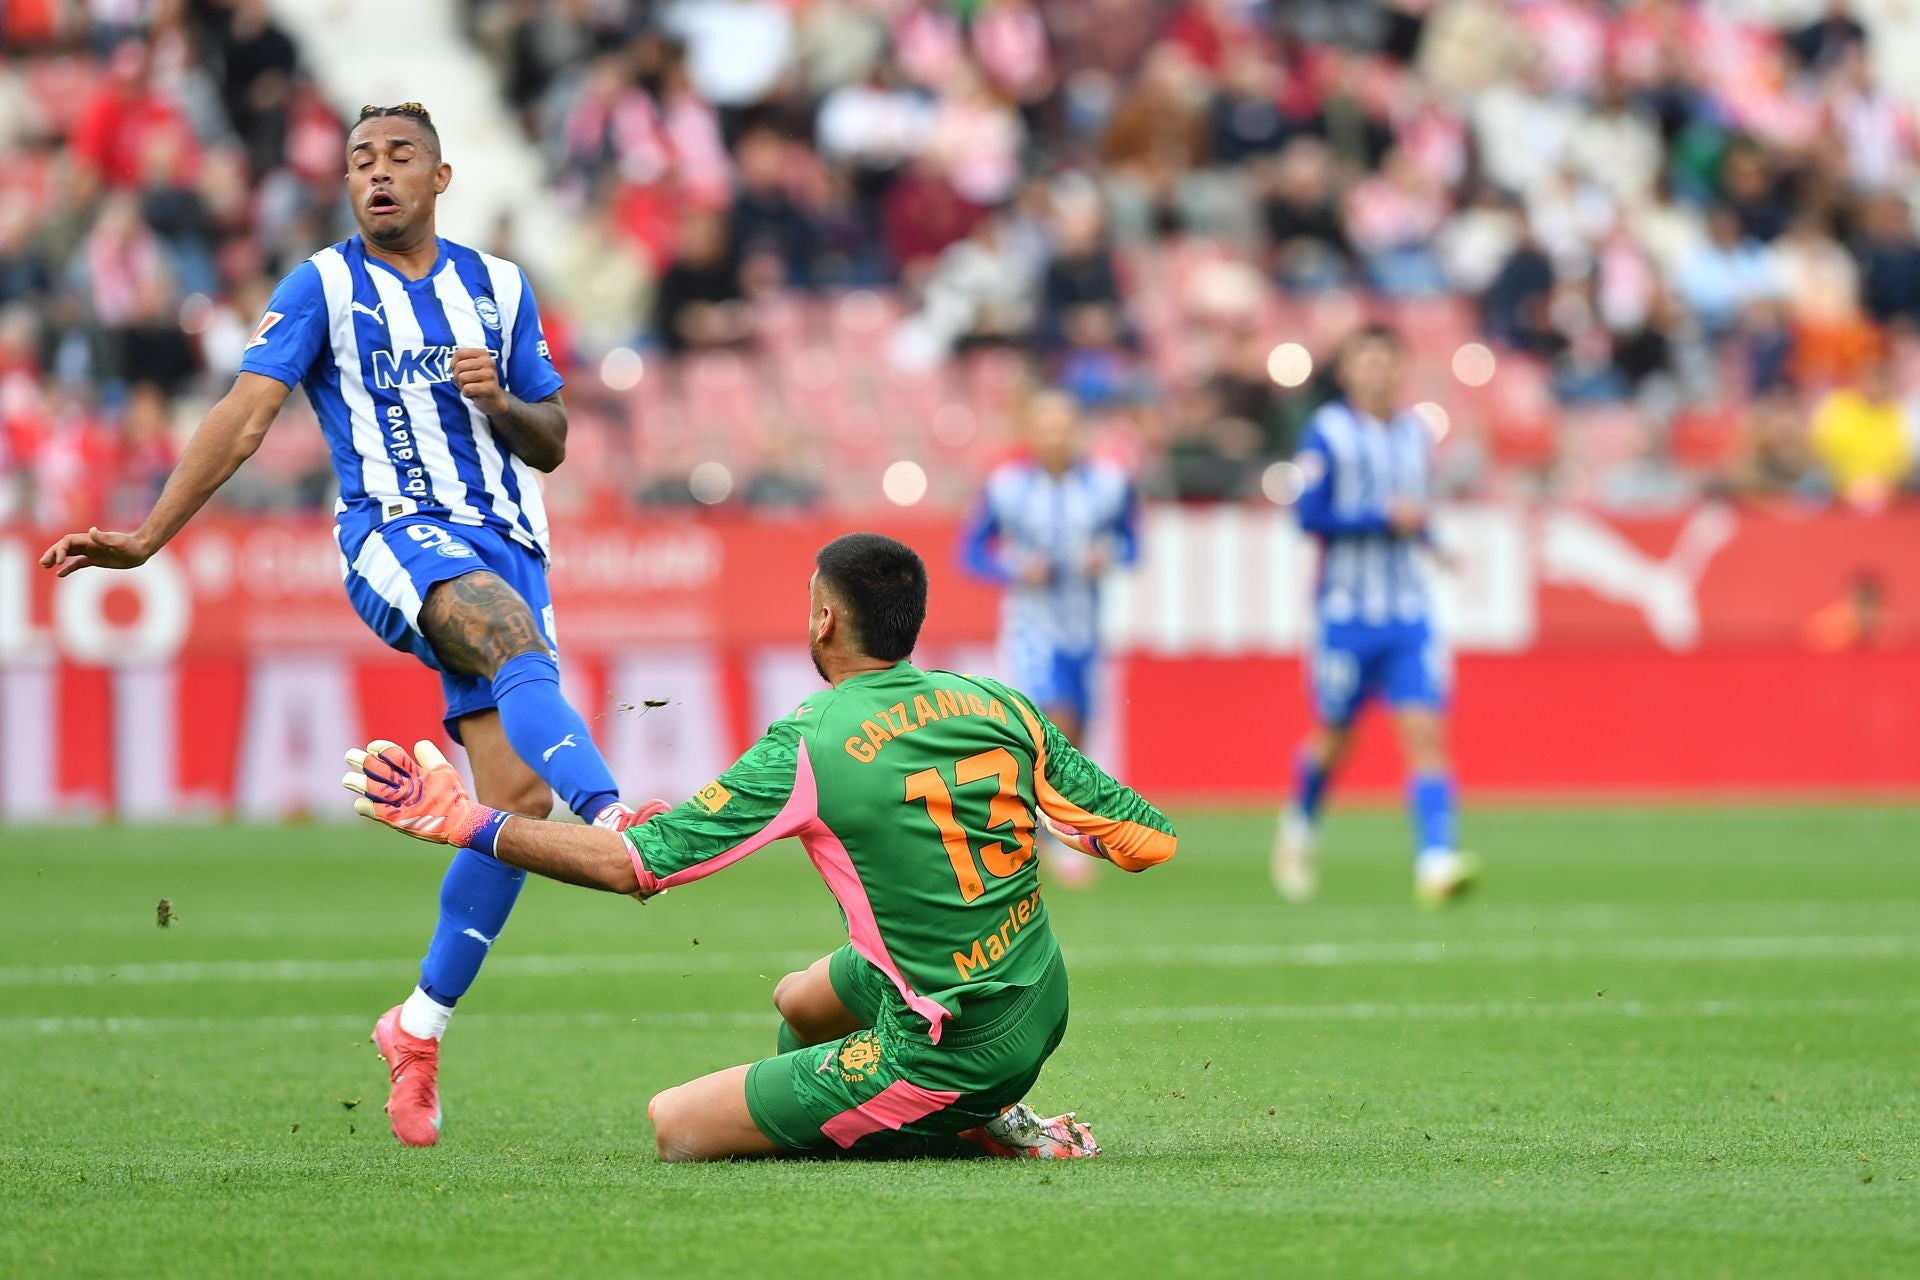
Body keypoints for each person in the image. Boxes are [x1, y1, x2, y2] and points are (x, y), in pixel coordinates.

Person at [39, 102, 641, 1147]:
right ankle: (619, 816)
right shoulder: (320, 286)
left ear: (441, 177)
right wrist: (147, 536)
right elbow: (243, 415)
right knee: (509, 646)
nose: (377, 174)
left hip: (511, 542)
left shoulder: (496, 287)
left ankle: (418, 1023)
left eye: (399, 157)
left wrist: (501, 401)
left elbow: (551, 437)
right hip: (392, 537)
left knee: (510, 795)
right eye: (361, 160)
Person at [344, 533, 1179, 1161]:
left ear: (824, 620)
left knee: (674, 1126)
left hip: (952, 1046)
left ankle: (961, 1120)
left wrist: (468, 823)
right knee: (797, 1002)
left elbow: (634, 868)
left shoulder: (809, 742)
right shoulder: (999, 701)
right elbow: (1146, 844)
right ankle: (933, 1096)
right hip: (1038, 989)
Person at [1272, 324, 1477, 907]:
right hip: (1346, 614)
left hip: (1408, 612)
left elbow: (1411, 512)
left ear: (1398, 368)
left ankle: (1436, 860)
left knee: (1426, 734)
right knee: (1334, 740)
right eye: (1365, 363)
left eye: (1385, 362)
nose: (1376, 373)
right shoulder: (1328, 434)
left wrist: (1434, 543)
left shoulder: (1415, 433)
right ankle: (1299, 829)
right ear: (1348, 373)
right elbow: (1308, 518)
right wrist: (1379, 521)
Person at [960, 391, 1138, 885]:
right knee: (1051, 721)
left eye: (1064, 424)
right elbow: (970, 553)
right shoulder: (1008, 488)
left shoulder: (1108, 484)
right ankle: (1060, 833)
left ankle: (1039, 824)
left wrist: (1110, 556)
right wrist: (1013, 567)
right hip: (1031, 628)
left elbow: (1132, 542)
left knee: (1075, 732)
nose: (1056, 435)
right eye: (1046, 425)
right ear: (1031, 432)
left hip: (1085, 627)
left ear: (1077, 429)